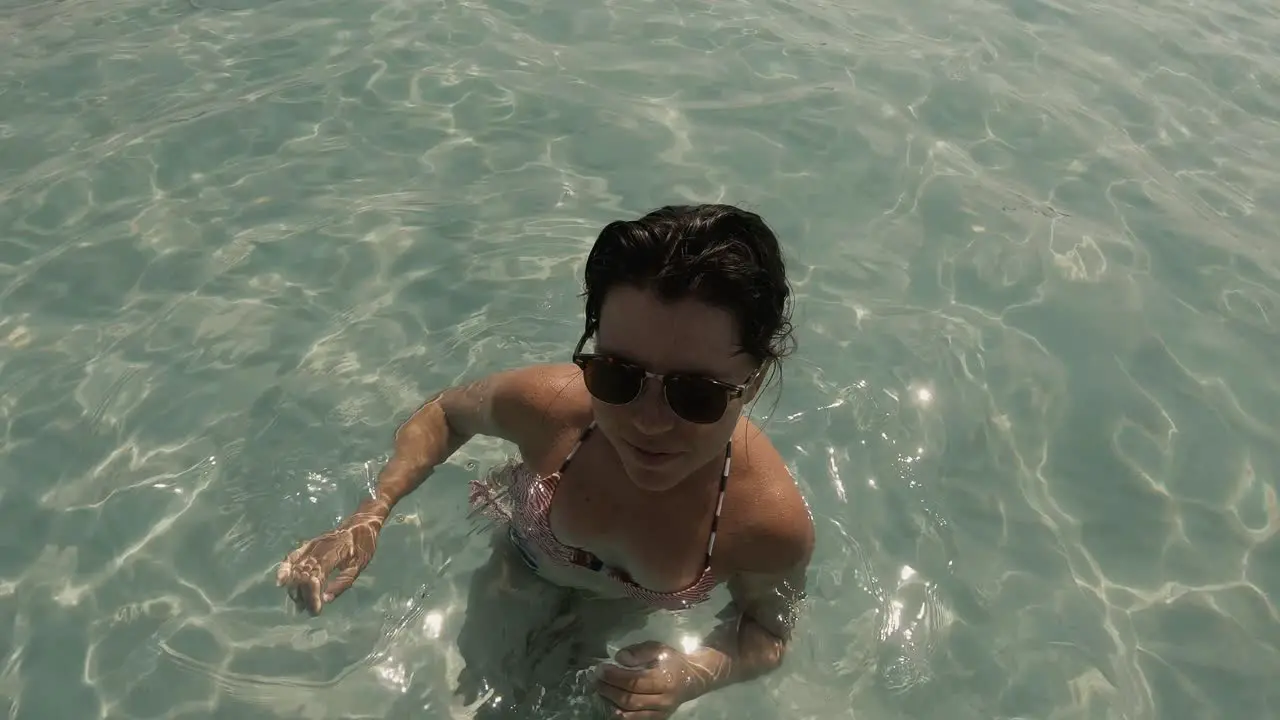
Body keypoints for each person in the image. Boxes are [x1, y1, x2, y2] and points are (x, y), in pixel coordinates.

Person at [276, 203, 815, 718]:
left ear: (756, 379)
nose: (648, 422)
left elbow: (766, 632)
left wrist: (691, 674)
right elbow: (445, 415)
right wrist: (371, 512)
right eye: (617, 376)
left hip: (622, 620)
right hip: (517, 567)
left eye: (696, 394)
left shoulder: (764, 521)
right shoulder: (553, 409)